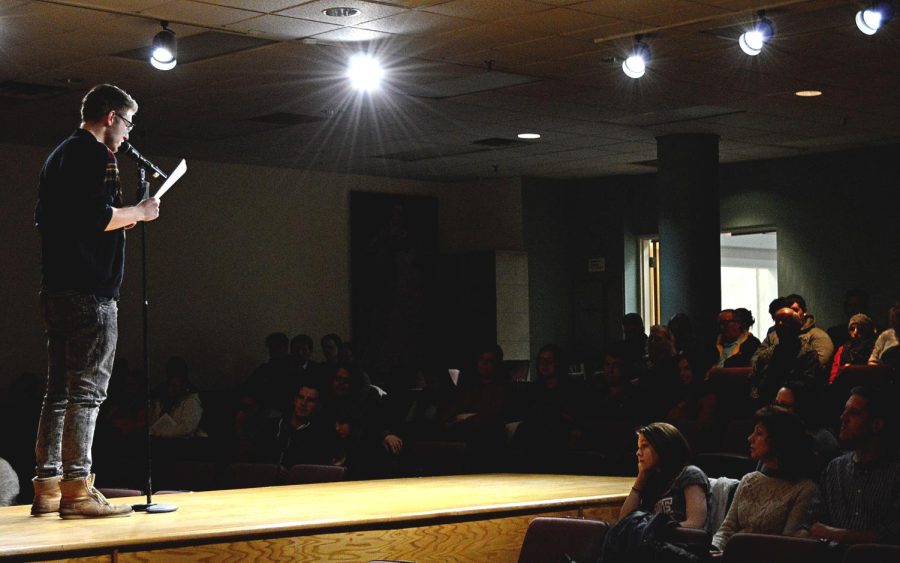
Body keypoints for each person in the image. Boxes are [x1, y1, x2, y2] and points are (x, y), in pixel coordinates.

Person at [32, 84, 160, 519]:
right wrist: (139, 214)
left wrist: (121, 220)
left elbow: (64, 221)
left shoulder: (59, 155)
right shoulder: (93, 154)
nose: (127, 134)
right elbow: (95, 217)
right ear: (110, 118)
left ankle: (47, 486)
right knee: (87, 395)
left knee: (58, 393)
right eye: (127, 123)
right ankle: (77, 490)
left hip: (57, 287)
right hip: (90, 290)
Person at [802, 386, 900, 544]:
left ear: (876, 425)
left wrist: (837, 534)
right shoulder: (834, 469)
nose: (843, 417)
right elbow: (812, 523)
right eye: (844, 411)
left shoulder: (895, 473)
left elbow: (891, 536)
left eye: (854, 413)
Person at [711, 406, 818, 551]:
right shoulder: (749, 480)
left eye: (759, 433)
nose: (750, 438)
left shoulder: (804, 489)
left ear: (779, 441)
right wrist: (713, 550)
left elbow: (787, 544)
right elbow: (726, 529)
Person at [619, 422, 710, 530]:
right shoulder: (652, 479)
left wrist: (654, 531)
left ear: (662, 446)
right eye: (639, 447)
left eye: (644, 446)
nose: (638, 453)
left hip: (681, 544)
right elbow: (624, 523)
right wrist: (640, 479)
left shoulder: (690, 474)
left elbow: (695, 524)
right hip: (656, 543)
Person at [749, 306, 820, 405]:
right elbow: (755, 381)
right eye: (777, 321)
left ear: (797, 326)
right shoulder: (767, 355)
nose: (780, 324)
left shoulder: (808, 354)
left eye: (785, 321)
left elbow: (809, 385)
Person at [757, 294, 834, 371]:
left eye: (795, 310)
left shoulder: (818, 335)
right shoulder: (772, 335)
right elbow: (756, 359)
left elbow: (819, 366)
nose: (791, 315)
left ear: (804, 311)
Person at [149, 356, 205, 438]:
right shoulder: (161, 398)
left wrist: (163, 433)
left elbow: (187, 428)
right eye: (171, 385)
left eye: (176, 385)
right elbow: (153, 422)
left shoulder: (191, 401)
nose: (172, 389)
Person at [829, 313, 877, 383]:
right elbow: (834, 372)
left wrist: (852, 369)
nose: (855, 332)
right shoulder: (843, 349)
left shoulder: (874, 348)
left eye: (860, 328)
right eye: (852, 329)